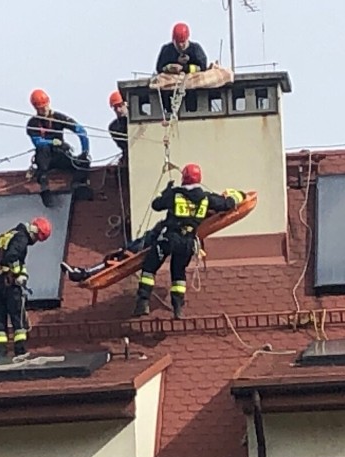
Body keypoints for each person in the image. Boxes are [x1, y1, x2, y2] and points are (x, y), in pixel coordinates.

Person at [133, 163, 245, 319]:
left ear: (183, 178)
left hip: (168, 239)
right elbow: (227, 204)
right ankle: (178, 308)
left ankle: (143, 302)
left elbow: (156, 205)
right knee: (178, 274)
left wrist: (166, 192)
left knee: (150, 267)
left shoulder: (174, 194)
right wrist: (239, 196)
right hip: (187, 243)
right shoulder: (206, 198)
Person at [0, 217, 52, 358]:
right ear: (36, 233)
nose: (35, 243)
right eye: (38, 239)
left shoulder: (11, 234)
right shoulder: (21, 238)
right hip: (8, 282)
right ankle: (20, 350)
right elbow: (11, 257)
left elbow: (1, 256)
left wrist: (21, 272)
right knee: (17, 315)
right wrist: (18, 275)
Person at [26, 88, 92, 206]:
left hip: (60, 156)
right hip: (45, 160)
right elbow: (37, 142)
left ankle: (77, 185)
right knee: (42, 150)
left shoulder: (58, 118)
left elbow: (80, 130)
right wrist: (53, 142)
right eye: (40, 108)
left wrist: (85, 151)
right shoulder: (33, 124)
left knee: (83, 162)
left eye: (45, 106)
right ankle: (45, 188)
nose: (44, 110)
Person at [60, 220, 165, 282]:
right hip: (126, 253)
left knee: (106, 264)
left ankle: (82, 274)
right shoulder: (148, 238)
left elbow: (133, 256)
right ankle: (81, 272)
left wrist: (123, 253)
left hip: (125, 258)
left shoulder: (149, 241)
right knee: (110, 259)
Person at [107, 90, 128, 161]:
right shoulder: (114, 127)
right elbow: (124, 146)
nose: (118, 110)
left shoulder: (140, 122)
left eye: (120, 105)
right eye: (115, 107)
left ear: (126, 104)